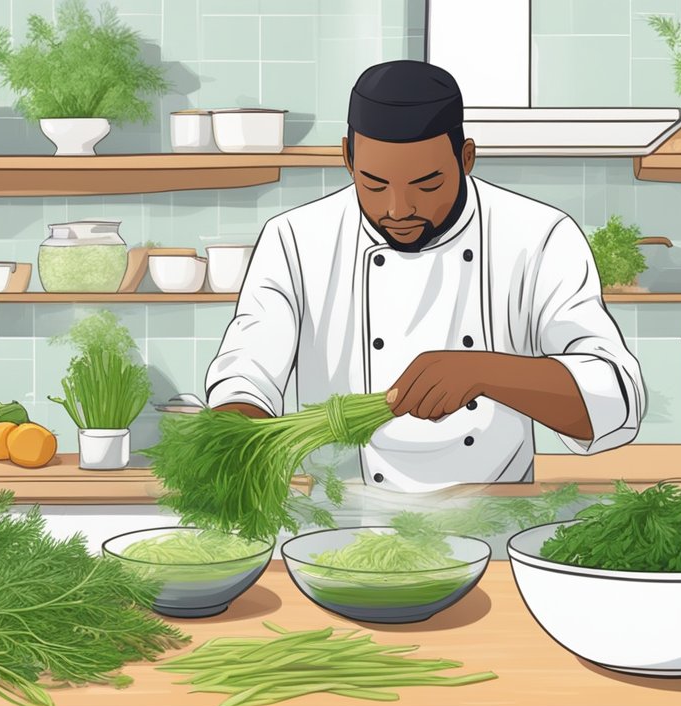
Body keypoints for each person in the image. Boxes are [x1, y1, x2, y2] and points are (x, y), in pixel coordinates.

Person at [205, 60, 645, 492]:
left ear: (466, 157)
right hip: (343, 529)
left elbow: (614, 399)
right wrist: (236, 441)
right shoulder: (295, 239)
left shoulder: (539, 236)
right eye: (374, 184)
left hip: (492, 517)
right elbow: (247, 371)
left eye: (427, 184)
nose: (398, 209)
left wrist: (484, 372)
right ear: (347, 157)